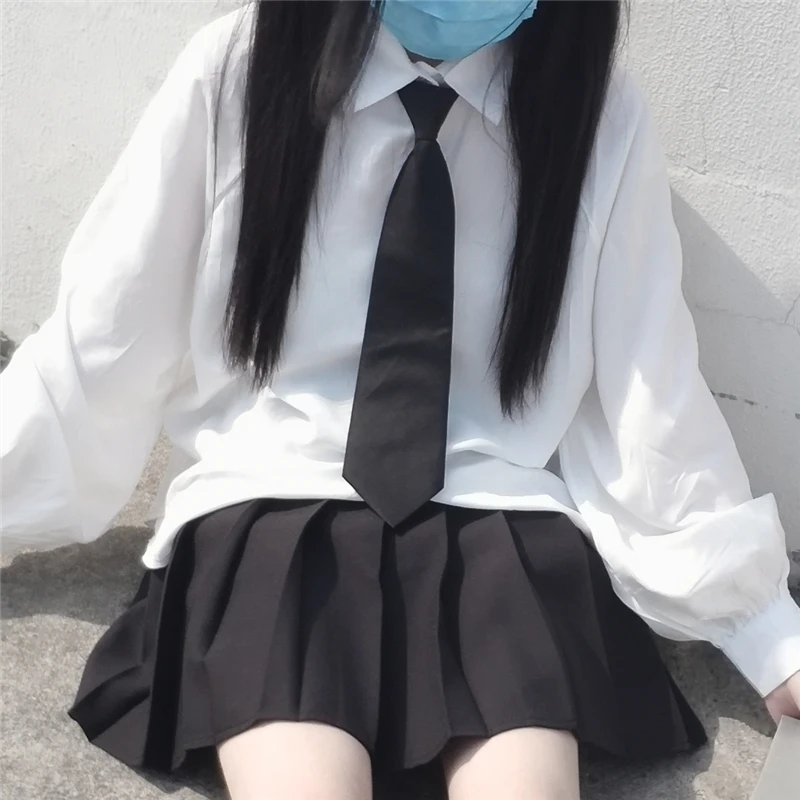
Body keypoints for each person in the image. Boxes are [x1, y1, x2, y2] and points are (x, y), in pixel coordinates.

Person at [2, 2, 799, 798]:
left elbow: (650, 384)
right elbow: (103, 334)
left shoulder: (592, 109)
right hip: (277, 502)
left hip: (496, 516)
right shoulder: (240, 68)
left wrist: (764, 629)